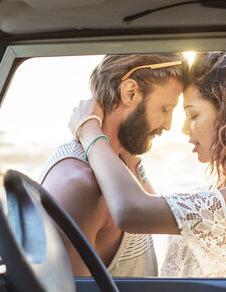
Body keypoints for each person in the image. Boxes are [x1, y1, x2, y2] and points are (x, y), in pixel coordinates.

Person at [68, 51, 226, 277]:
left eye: (193, 115)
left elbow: (132, 211)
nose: (184, 129)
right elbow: (157, 206)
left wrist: (89, 130)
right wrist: (131, 159)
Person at [39, 53, 187, 276]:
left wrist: (129, 156)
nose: (168, 125)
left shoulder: (119, 165)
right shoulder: (78, 184)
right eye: (165, 109)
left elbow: (153, 205)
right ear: (131, 93)